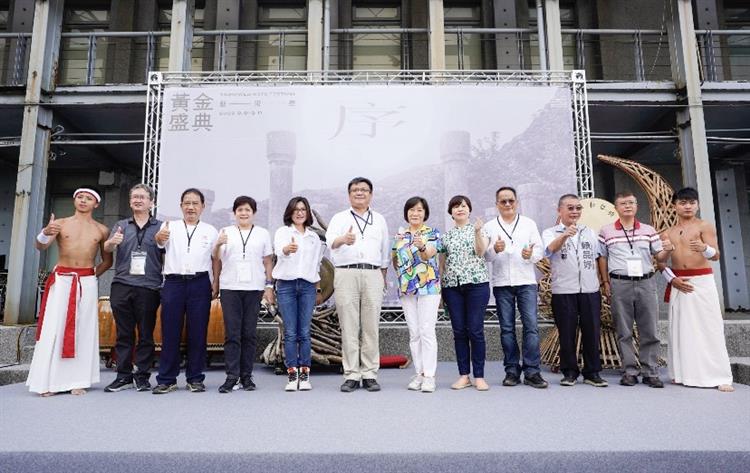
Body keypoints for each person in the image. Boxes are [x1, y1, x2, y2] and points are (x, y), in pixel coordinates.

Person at [26, 188, 112, 396]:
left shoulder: (102, 229)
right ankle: (45, 382)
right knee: (53, 327)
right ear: (74, 200)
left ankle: (78, 380)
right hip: (62, 278)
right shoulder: (61, 223)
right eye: (80, 197)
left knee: (83, 329)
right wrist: (44, 233)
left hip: (86, 281)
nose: (83, 201)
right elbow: (40, 247)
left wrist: (91, 277)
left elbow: (107, 260)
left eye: (88, 198)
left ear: (96, 204)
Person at [659, 187, 734, 392]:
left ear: (697, 204)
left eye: (691, 202)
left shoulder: (704, 226)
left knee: (710, 327)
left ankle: (720, 376)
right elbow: (660, 262)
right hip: (678, 282)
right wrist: (672, 279)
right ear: (675, 206)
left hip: (701, 282)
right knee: (682, 329)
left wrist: (705, 249)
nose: (688, 206)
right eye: (683, 202)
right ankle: (682, 373)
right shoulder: (669, 231)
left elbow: (716, 255)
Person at [598, 191, 670, 388]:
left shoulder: (648, 230)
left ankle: (651, 371)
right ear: (616, 208)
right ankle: (629, 371)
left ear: (636, 206)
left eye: (631, 202)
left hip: (646, 282)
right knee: (624, 329)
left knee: (650, 329)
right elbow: (602, 257)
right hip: (619, 282)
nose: (627, 206)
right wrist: (605, 282)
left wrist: (668, 248)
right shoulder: (606, 231)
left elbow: (660, 256)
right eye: (623, 203)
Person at [325, 177, 389, 393]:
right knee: (349, 326)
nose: (359, 193)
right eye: (355, 190)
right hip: (346, 273)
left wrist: (383, 276)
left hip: (373, 273)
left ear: (371, 194)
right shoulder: (339, 218)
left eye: (363, 190)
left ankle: (370, 373)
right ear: (349, 194)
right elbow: (330, 241)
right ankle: (352, 374)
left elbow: (385, 250)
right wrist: (343, 239)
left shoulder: (379, 219)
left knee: (371, 326)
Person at [152, 188, 219, 394]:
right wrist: (159, 238)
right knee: (170, 330)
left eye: (195, 203)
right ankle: (167, 379)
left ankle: (195, 378)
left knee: (198, 331)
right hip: (174, 283)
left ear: (203, 207)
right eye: (187, 203)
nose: (191, 207)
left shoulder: (211, 230)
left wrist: (215, 281)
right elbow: (160, 243)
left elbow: (215, 258)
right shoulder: (169, 226)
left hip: (200, 283)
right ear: (181, 206)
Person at [483, 187, 547, 389]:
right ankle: (511, 370)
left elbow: (539, 249)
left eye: (511, 200)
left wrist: (531, 255)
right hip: (502, 283)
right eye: (503, 201)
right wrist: (495, 249)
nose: (507, 204)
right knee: (507, 329)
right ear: (497, 205)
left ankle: (532, 371)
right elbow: (485, 256)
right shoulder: (489, 226)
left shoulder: (528, 223)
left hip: (526, 281)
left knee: (531, 327)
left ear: (517, 202)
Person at [102, 184, 163, 393]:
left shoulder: (161, 228)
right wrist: (111, 243)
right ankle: (123, 375)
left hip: (149, 286)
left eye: (143, 197)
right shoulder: (121, 225)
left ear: (151, 202)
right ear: (130, 202)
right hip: (122, 284)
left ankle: (143, 375)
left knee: (146, 333)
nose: (138, 200)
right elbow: (107, 248)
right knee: (124, 333)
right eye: (134, 197)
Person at [542, 194, 607, 387]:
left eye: (578, 208)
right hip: (564, 290)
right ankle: (569, 372)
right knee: (567, 332)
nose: (575, 212)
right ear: (559, 210)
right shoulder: (550, 232)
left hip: (590, 289)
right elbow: (549, 250)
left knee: (592, 331)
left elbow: (598, 257)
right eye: (570, 208)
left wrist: (604, 282)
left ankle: (592, 372)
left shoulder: (589, 232)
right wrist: (564, 235)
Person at [213, 196, 274, 393]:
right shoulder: (225, 232)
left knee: (248, 333)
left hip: (254, 287)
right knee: (232, 333)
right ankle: (231, 376)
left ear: (253, 212)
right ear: (235, 213)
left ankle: (246, 376)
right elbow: (216, 258)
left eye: (247, 209)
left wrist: (268, 285)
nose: (244, 213)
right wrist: (217, 244)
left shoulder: (263, 234)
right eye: (240, 209)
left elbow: (267, 261)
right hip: (230, 287)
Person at [273, 196, 325, 392]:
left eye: (303, 209)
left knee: (304, 332)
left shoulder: (313, 237)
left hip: (307, 287)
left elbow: (316, 265)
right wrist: (287, 249)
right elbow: (279, 250)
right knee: (290, 332)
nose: (300, 212)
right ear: (290, 212)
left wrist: (318, 289)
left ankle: (304, 374)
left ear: (308, 212)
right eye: (296, 209)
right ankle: (291, 374)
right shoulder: (283, 232)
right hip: (286, 285)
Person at [392, 197, 443, 393]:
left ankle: (429, 376)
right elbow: (396, 261)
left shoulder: (433, 233)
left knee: (426, 331)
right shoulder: (400, 234)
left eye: (419, 210)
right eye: (411, 210)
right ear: (406, 213)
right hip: (407, 288)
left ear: (425, 213)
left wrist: (422, 246)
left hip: (428, 287)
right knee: (414, 332)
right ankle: (419, 373)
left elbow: (429, 254)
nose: (415, 213)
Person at [440, 195, 490, 391]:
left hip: (477, 285)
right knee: (459, 331)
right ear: (451, 212)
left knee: (475, 330)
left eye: (463, 206)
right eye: (455, 207)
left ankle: (479, 376)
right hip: (452, 287)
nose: (459, 209)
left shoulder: (479, 229)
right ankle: (464, 375)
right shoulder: (446, 236)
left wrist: (477, 232)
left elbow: (480, 251)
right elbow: (442, 263)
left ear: (469, 209)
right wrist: (442, 288)